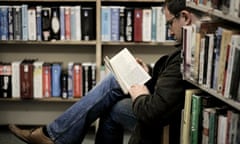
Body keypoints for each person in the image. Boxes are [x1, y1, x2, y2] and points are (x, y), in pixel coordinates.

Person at [9, 0, 202, 143]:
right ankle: (53, 135)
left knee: (111, 96)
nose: (169, 31)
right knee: (112, 92)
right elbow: (171, 89)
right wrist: (147, 74)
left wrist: (140, 95)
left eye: (169, 23)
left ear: (184, 17)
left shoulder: (186, 55)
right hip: (165, 109)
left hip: (165, 122)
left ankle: (53, 136)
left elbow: (154, 111)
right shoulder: (193, 45)